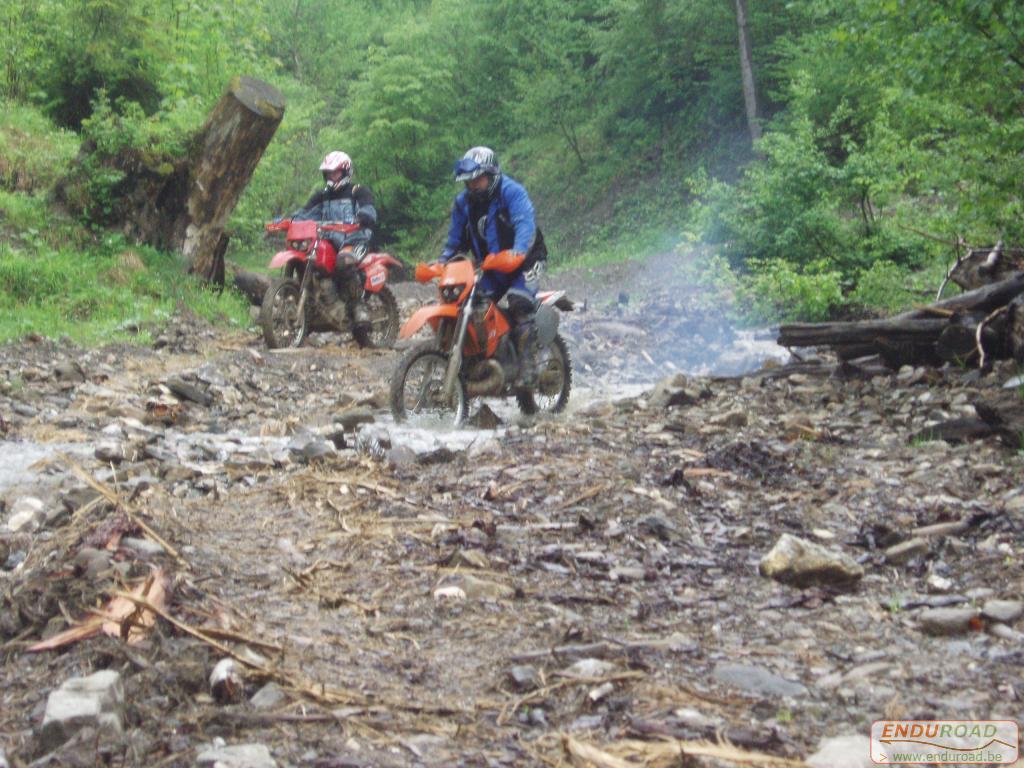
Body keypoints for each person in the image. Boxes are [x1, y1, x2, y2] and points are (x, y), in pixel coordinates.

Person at [441, 146, 548, 387]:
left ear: (492, 175)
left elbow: (525, 226)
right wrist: (440, 264)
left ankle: (529, 367)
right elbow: (455, 241)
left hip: (527, 260)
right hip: (493, 267)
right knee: (472, 304)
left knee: (519, 303)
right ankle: (485, 360)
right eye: (469, 181)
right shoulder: (463, 203)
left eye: (478, 179)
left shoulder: (512, 192)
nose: (473, 185)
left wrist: (517, 253)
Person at [291, 151, 377, 329]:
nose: (331, 177)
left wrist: (362, 216)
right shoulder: (322, 195)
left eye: (335, 173)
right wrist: (289, 220)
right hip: (330, 240)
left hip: (356, 240)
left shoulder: (358, 191)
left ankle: (358, 306)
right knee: (309, 257)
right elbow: (304, 213)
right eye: (328, 173)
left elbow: (369, 209)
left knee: (344, 261)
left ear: (346, 172)